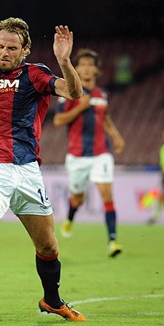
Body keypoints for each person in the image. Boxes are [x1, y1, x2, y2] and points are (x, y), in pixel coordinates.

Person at [0, 18, 86, 322]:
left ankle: (52, 300)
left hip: (26, 170)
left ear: (25, 50)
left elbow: (74, 93)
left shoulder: (36, 74)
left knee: (48, 245)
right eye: (0, 46)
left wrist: (64, 60)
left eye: (12, 48)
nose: (4, 53)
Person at [53, 48, 125, 257]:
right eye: (81, 64)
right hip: (76, 156)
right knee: (78, 198)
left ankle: (113, 241)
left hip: (101, 153)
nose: (85, 68)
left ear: (96, 70)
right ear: (76, 69)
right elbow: (57, 121)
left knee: (106, 194)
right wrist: (79, 108)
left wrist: (116, 135)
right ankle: (70, 218)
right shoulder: (69, 93)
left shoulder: (102, 95)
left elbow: (106, 119)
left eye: (89, 64)